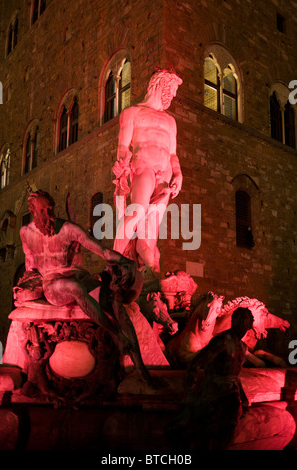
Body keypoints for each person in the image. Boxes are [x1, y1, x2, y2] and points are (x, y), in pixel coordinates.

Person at [17, 189, 152, 385]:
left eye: (50, 209)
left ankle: (141, 368)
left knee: (113, 301)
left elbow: (102, 251)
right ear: (32, 211)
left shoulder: (67, 228)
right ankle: (116, 337)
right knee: (74, 287)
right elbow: (30, 266)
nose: (48, 214)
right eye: (42, 211)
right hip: (54, 285)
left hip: (78, 276)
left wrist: (125, 261)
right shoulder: (25, 233)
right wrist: (26, 289)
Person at [113, 70, 183, 273]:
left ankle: (148, 272)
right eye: (173, 89)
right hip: (143, 166)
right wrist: (122, 163)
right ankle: (115, 261)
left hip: (166, 172)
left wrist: (178, 173)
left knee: (151, 230)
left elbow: (173, 154)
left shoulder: (171, 121)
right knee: (137, 210)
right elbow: (123, 146)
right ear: (160, 84)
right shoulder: (132, 112)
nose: (174, 95)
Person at [169, 307, 254, 450]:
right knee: (208, 433)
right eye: (239, 320)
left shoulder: (242, 346)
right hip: (214, 393)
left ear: (250, 325)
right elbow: (196, 363)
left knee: (226, 434)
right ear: (233, 321)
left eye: (245, 321)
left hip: (230, 396)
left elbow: (234, 375)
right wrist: (190, 392)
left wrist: (244, 398)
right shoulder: (222, 341)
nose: (242, 324)